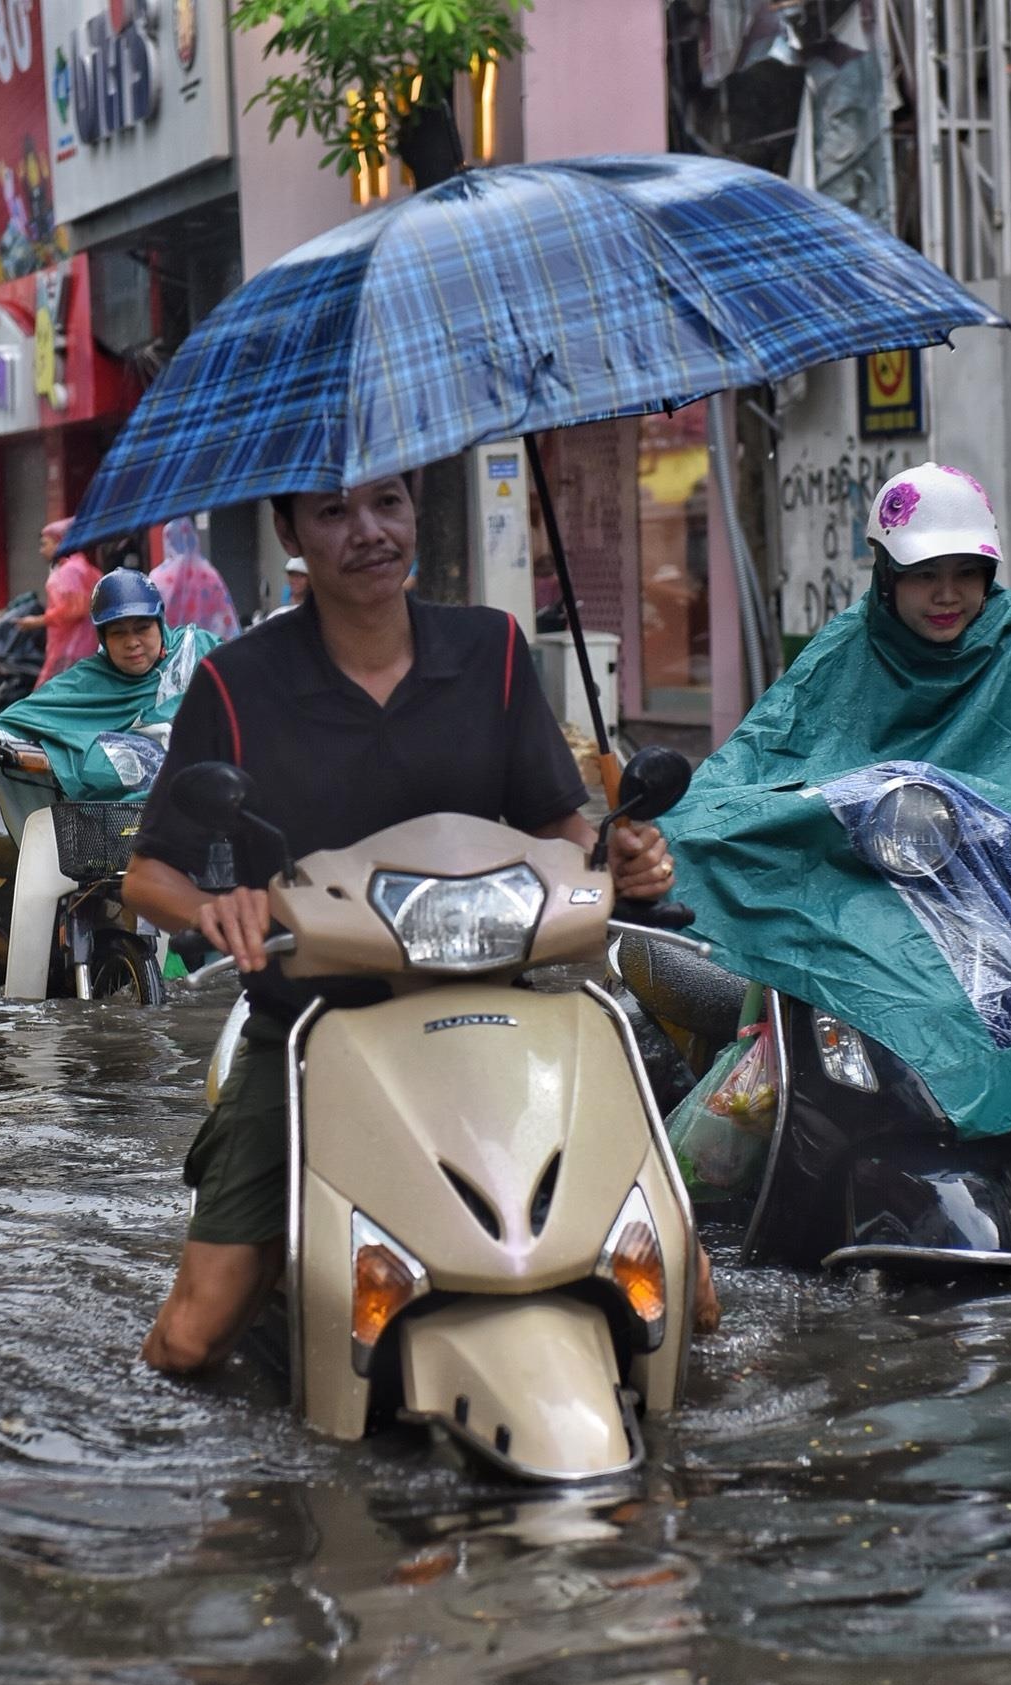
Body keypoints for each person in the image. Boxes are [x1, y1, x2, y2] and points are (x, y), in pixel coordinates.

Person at [118, 475, 704, 1377]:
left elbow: (559, 825)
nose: (367, 532)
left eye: (387, 503)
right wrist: (210, 907)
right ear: (289, 533)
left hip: (502, 1011)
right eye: (333, 513)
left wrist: (620, 858)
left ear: (416, 513)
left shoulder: (493, 651)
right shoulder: (237, 685)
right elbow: (146, 875)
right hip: (314, 1025)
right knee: (192, 1340)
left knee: (688, 1292)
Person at [662, 463, 1011, 1185]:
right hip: (858, 893)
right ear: (884, 573)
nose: (947, 595)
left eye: (967, 573)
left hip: (990, 894)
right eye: (924, 573)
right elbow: (752, 764)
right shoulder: (847, 648)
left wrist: (956, 807)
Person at [0, 567, 221, 801]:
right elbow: (26, 716)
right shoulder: (86, 681)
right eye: (118, 633)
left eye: (142, 628)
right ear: (103, 638)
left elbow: (245, 680)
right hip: (133, 825)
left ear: (159, 622)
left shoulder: (196, 649)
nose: (132, 643)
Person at [17, 519, 100, 685]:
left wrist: (37, 621)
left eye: (45, 544)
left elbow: (73, 609)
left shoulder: (69, 571)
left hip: (71, 648)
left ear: (59, 543)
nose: (41, 550)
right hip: (88, 645)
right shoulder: (85, 568)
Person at [148, 517, 241, 640]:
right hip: (206, 651)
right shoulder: (209, 574)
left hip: (170, 652)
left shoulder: (157, 578)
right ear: (193, 537)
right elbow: (226, 620)